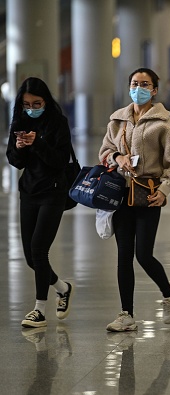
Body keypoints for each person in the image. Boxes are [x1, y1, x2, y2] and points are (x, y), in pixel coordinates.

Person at [98, 67, 170, 331]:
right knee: (124, 255)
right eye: (135, 83)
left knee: (144, 255)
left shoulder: (164, 124)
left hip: (148, 193)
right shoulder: (117, 121)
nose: (139, 88)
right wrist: (117, 158)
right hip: (120, 194)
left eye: (145, 84)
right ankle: (126, 314)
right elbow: (104, 151)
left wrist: (165, 190)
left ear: (155, 90)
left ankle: (169, 293)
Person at [6, 77, 75, 328]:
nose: (32, 108)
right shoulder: (20, 121)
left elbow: (59, 160)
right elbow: (16, 161)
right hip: (29, 192)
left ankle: (39, 310)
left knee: (39, 250)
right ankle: (63, 288)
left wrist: (38, 143)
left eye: (37, 103)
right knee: (29, 257)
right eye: (27, 104)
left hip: (54, 191)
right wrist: (20, 146)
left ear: (46, 100)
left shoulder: (58, 122)